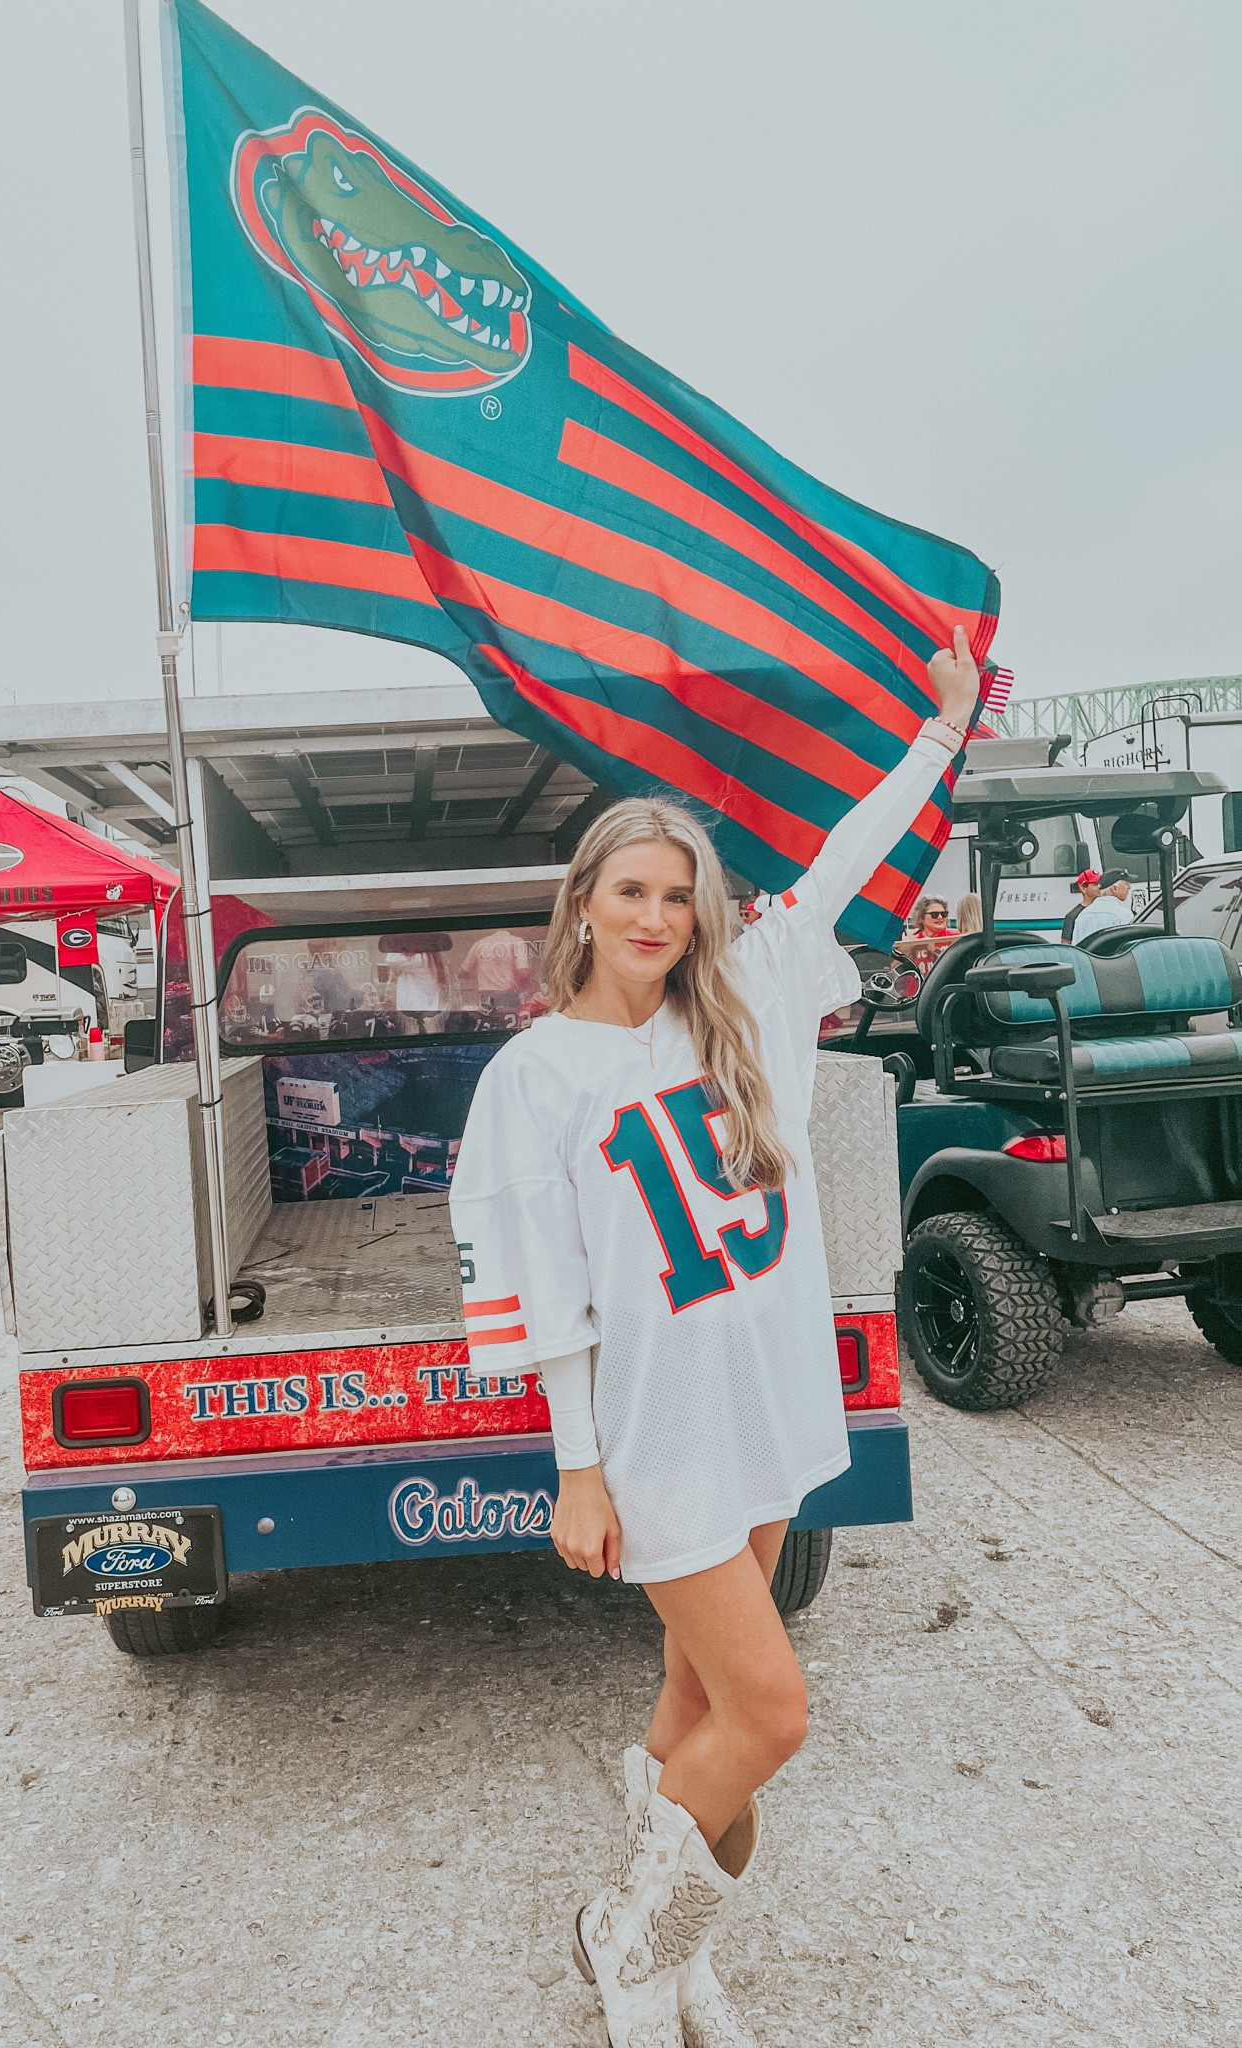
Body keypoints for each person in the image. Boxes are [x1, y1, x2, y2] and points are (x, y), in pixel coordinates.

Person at [449, 628, 981, 2044]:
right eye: (632, 889)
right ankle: (623, 1937)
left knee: (699, 1719)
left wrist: (940, 736)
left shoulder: (744, 1004)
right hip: (662, 1436)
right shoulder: (533, 1076)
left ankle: (682, 1964)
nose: (657, 916)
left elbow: (857, 859)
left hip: (771, 1405)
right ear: (582, 904)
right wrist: (576, 1467)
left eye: (678, 896)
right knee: (773, 1713)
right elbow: (549, 1293)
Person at [893, 895, 955, 974]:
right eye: (934, 914)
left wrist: (935, 951)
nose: (940, 917)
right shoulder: (912, 939)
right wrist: (904, 950)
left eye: (944, 914)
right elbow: (894, 972)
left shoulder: (955, 938)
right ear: (921, 918)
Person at [1072, 868, 1135, 944]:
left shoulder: (1082, 916)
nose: (1129, 887)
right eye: (1126, 883)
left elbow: (1076, 949)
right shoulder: (1124, 914)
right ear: (1115, 889)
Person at [1060, 869, 1102, 943]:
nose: (1099, 887)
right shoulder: (1072, 917)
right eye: (1095, 884)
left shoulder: (1105, 911)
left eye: (1100, 884)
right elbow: (1065, 945)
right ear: (1083, 888)